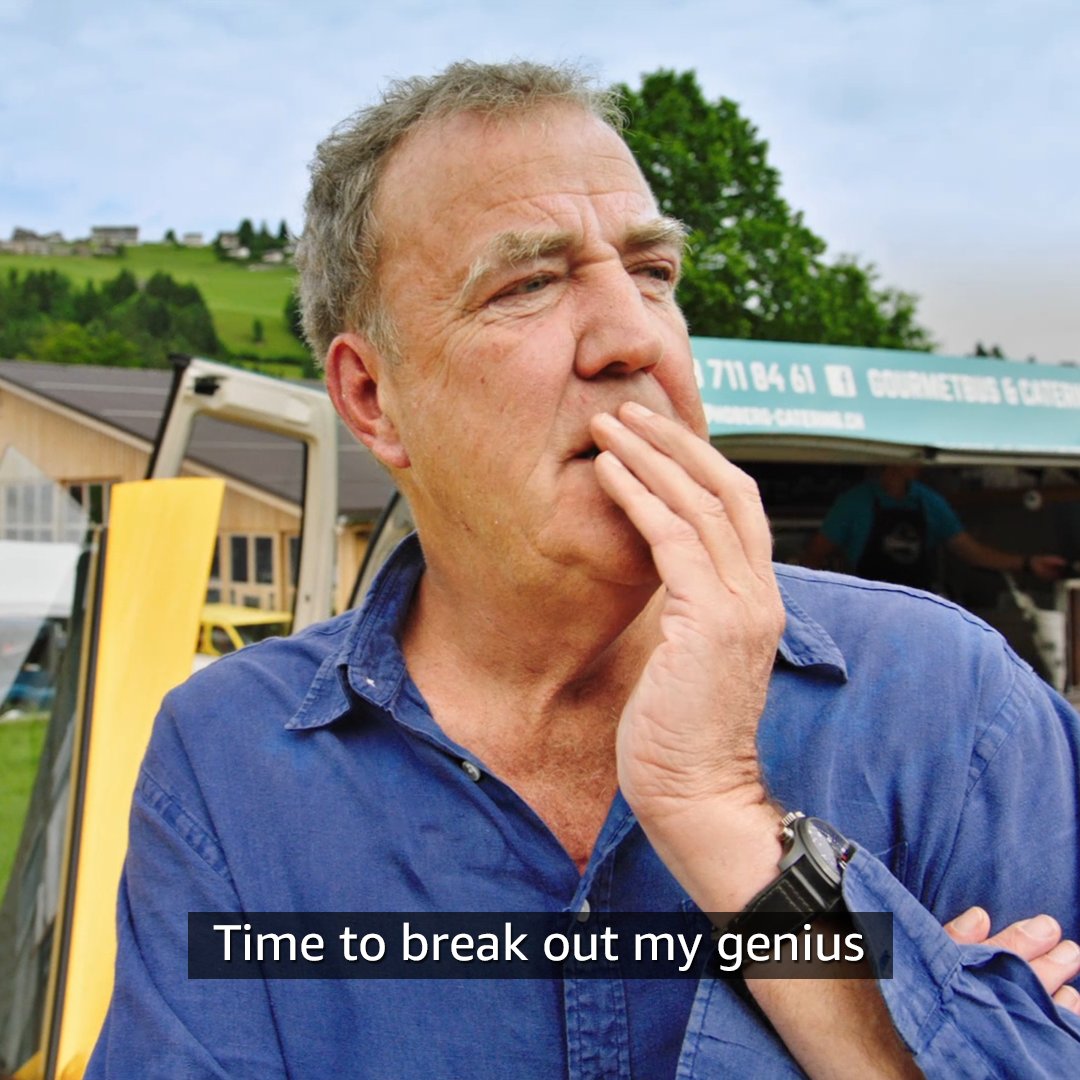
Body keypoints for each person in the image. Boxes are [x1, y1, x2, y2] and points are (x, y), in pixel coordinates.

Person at [87, 62, 1080, 1078]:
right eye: (527, 284)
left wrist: (723, 817)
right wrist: (889, 1015)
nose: (635, 337)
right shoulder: (230, 759)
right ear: (374, 399)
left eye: (652, 272)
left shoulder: (952, 706)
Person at [803, 463, 1066, 589]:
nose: (920, 462)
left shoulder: (928, 501)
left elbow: (971, 551)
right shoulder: (854, 502)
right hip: (868, 606)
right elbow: (814, 556)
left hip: (919, 605)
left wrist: (1028, 564)